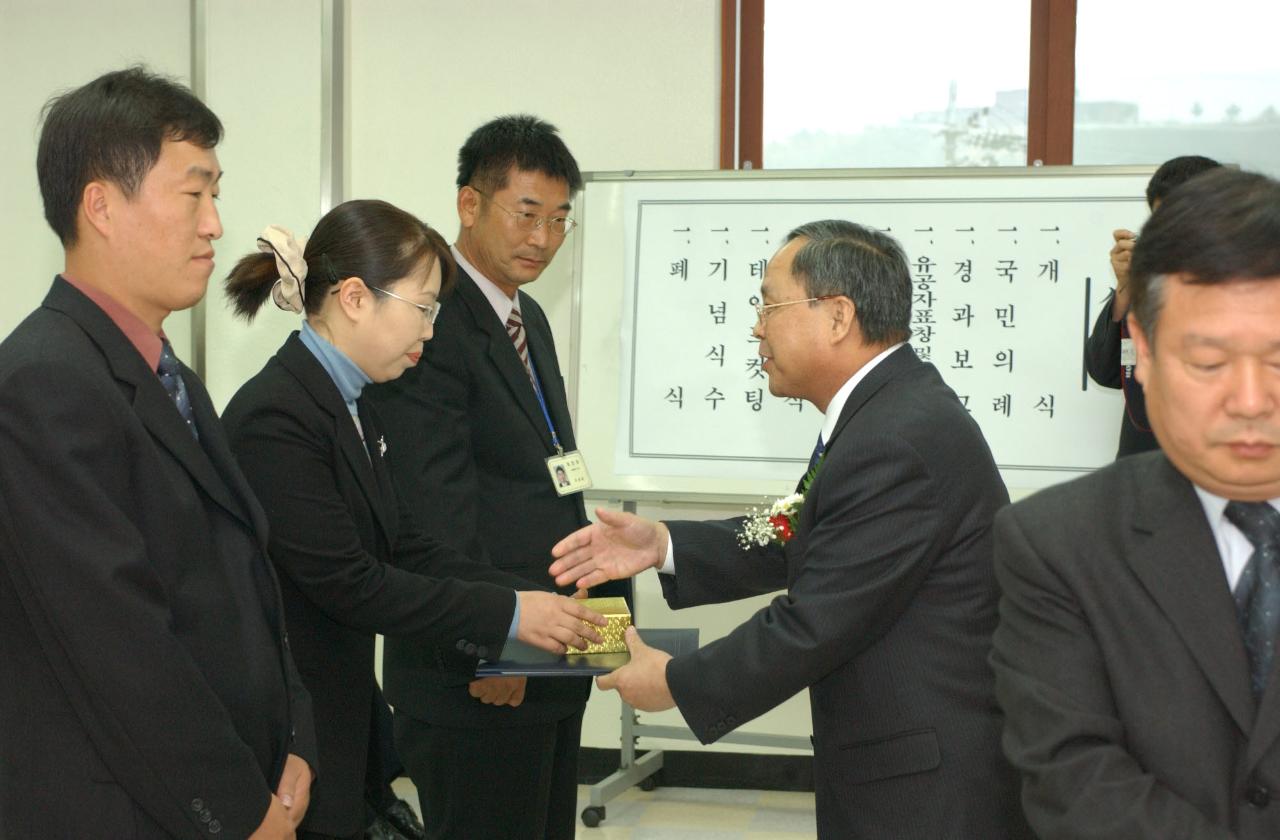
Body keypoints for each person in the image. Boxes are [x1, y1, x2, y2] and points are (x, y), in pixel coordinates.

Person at [549, 220, 1031, 839]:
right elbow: (797, 527)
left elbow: (814, 623)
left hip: (927, 783)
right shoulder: (888, 407)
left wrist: (673, 680)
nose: (756, 325)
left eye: (769, 303)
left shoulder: (894, 438)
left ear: (836, 316)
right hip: (908, 755)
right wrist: (664, 544)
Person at [220, 200, 606, 840]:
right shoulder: (278, 417)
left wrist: (525, 599)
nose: (431, 329)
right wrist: (510, 616)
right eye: (423, 308)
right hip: (291, 723)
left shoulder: (351, 402)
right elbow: (353, 582)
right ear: (353, 298)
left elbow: (402, 542)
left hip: (340, 711)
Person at [0, 66, 317, 839]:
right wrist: (240, 813)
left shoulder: (165, 374)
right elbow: (119, 649)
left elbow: (243, 582)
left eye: (217, 194)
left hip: (236, 781)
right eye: (193, 193)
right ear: (101, 206)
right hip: (129, 810)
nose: (215, 223)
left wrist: (295, 742)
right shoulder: (45, 382)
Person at [993, 168, 1280, 839]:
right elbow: (1077, 781)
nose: (1249, 400)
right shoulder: (1056, 545)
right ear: (1145, 352)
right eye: (1208, 362)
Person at [365, 114, 606, 839]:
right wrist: (489, 648)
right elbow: (432, 506)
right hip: (480, 668)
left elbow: (543, 481)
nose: (544, 237)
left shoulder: (525, 312)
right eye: (526, 213)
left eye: (560, 219)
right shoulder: (429, 320)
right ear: (469, 204)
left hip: (549, 656)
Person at [1086, 154, 1221, 458]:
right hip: (1143, 470)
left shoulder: (1259, 288)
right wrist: (1127, 288)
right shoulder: (1148, 285)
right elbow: (1103, 371)